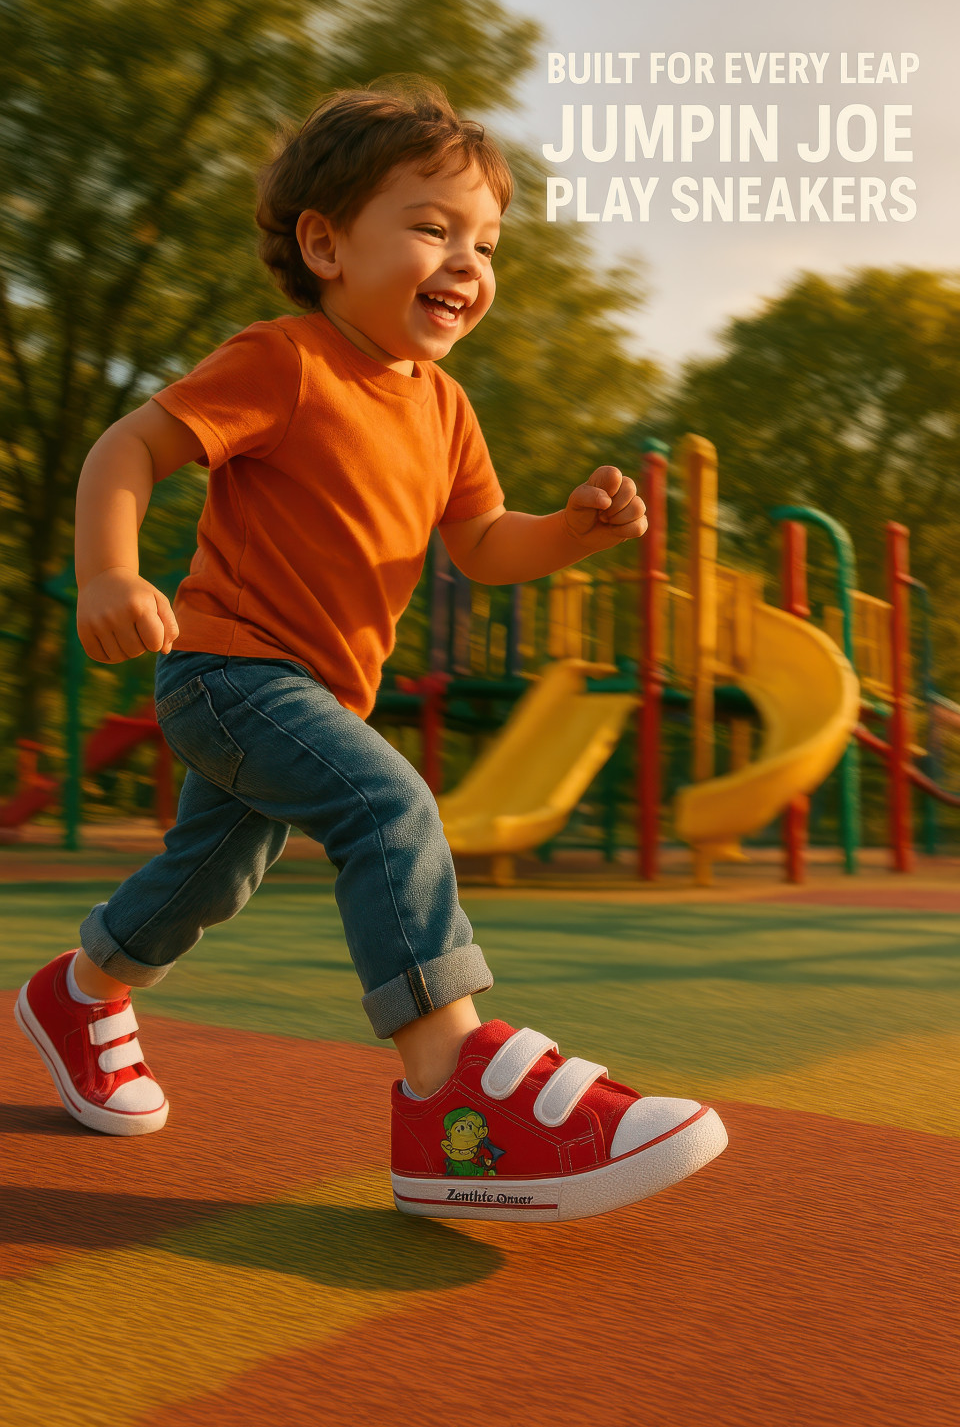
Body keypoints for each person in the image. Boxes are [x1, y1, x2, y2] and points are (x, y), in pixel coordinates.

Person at [15, 78, 726, 1222]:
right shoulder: (285, 360)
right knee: (389, 807)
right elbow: (129, 447)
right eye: (433, 228)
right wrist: (110, 573)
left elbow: (483, 544)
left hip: (315, 692)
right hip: (229, 672)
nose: (467, 263)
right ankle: (452, 1093)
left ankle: (80, 990)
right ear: (325, 245)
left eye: (486, 244)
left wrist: (571, 531)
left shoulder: (445, 408)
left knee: (213, 875)